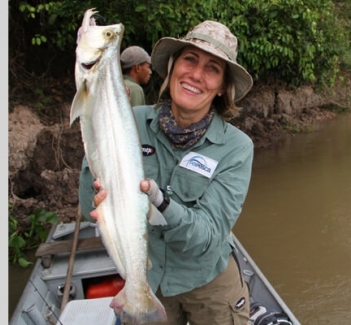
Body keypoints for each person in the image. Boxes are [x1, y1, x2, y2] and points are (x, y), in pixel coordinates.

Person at [79, 20, 254, 325]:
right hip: (148, 277)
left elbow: (209, 237)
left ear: (222, 87)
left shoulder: (236, 148)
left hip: (209, 281)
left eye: (212, 68)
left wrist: (162, 204)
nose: (196, 75)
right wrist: (95, 171)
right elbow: (86, 206)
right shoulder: (128, 121)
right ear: (173, 67)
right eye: (189, 59)